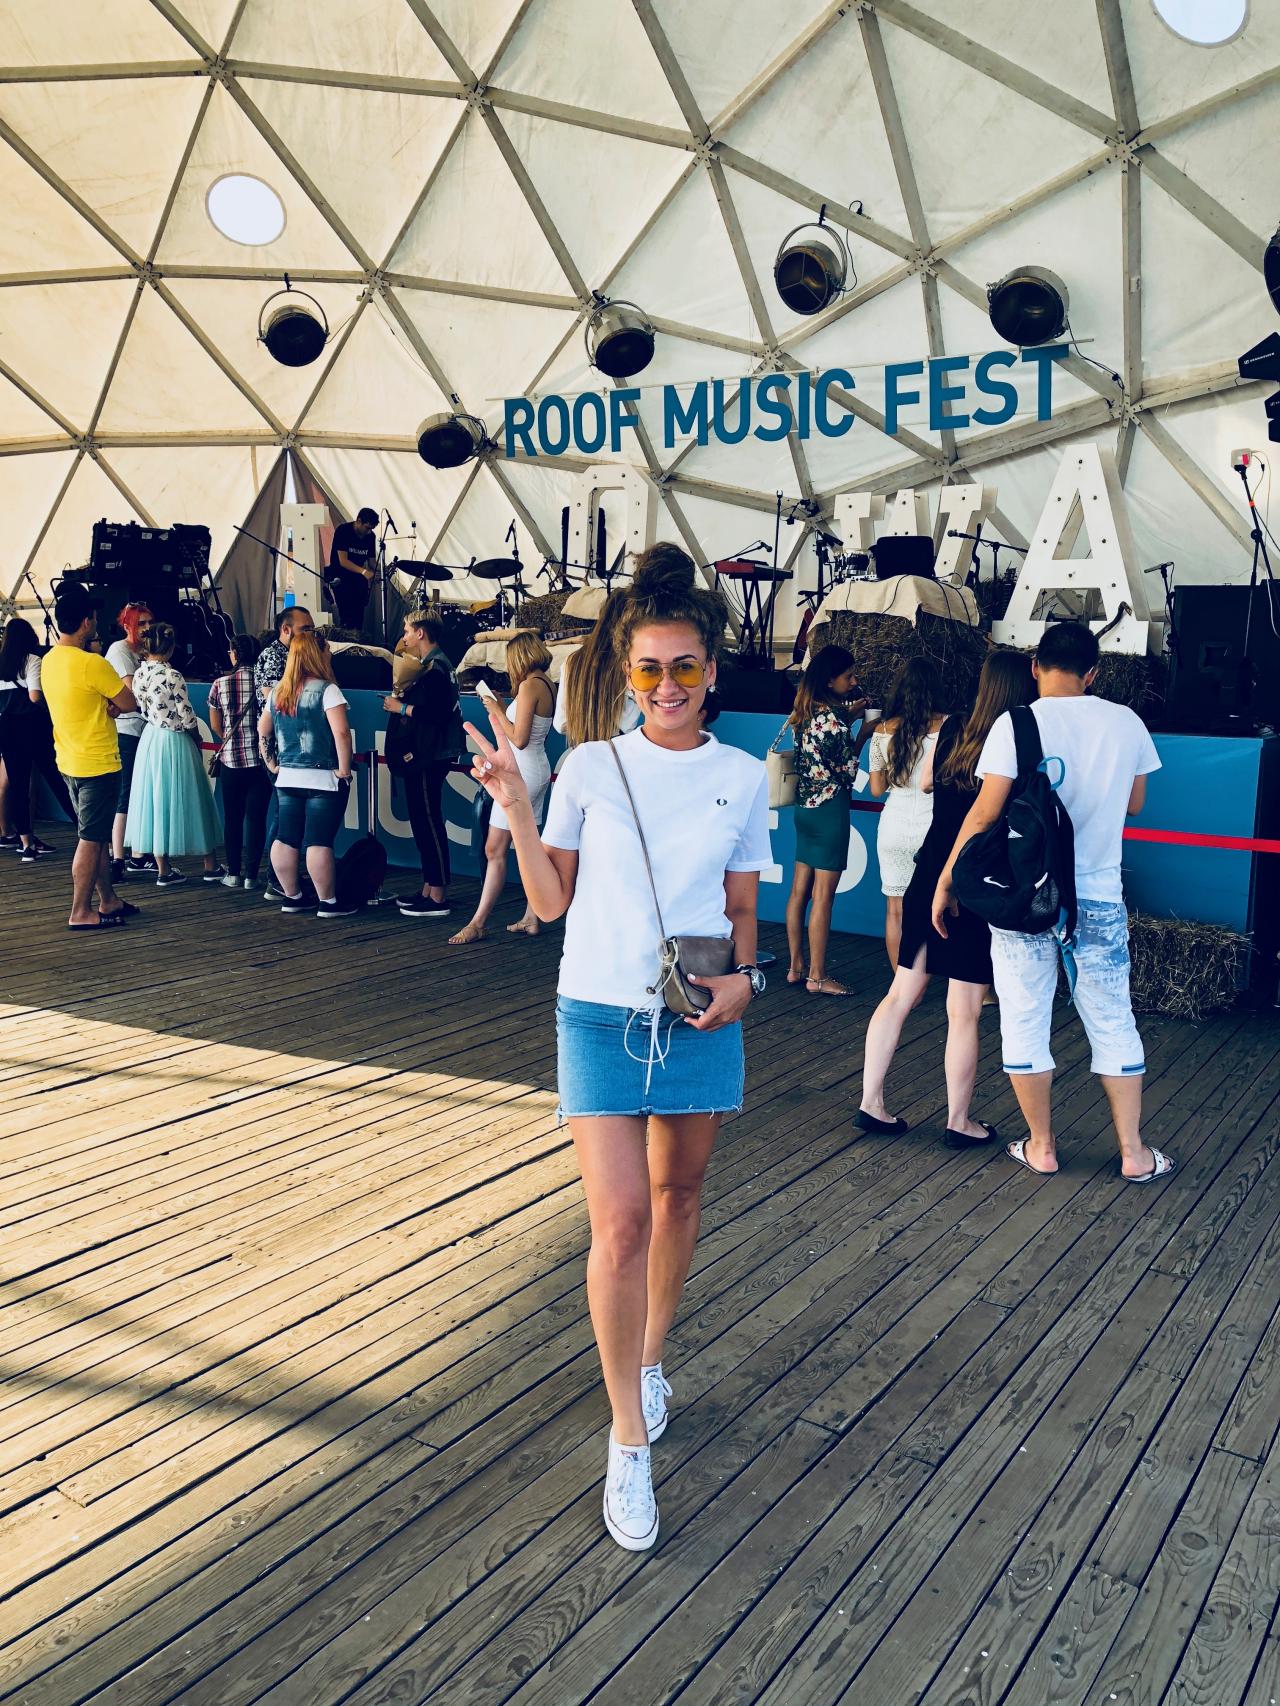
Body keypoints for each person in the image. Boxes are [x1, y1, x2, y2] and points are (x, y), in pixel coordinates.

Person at [467, 542, 770, 1552]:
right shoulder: (591, 766)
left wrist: (748, 979)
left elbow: (739, 909)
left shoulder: (741, 776)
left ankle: (647, 1358)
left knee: (680, 1197)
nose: (666, 686)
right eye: (648, 670)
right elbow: (550, 902)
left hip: (695, 1014)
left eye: (683, 667)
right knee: (622, 1223)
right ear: (626, 674)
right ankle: (628, 1436)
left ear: (711, 671)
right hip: (598, 1012)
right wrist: (516, 806)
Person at [932, 621, 1172, 1183]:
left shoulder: (1015, 724)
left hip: (1026, 898)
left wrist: (947, 881)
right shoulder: (1127, 722)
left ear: (1035, 666)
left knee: (1023, 1019)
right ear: (1093, 673)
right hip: (1099, 897)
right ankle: (1134, 1153)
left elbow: (985, 814)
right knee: (1113, 1021)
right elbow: (1135, 804)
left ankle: (1041, 1146)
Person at [858, 650, 1035, 1144]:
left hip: (928, 869)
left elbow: (928, 783)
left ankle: (871, 1103)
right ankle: (959, 1121)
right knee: (964, 1010)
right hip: (974, 882)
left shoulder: (955, 728)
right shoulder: (1018, 742)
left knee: (900, 995)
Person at [39, 584, 137, 929]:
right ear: (86, 622)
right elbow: (129, 702)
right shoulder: (92, 664)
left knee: (95, 836)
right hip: (98, 763)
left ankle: (108, 900)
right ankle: (80, 911)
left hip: (69, 760)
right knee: (91, 840)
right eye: (93, 617)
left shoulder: (49, 660)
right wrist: (111, 704)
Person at [449, 632, 555, 944]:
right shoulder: (545, 683)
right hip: (535, 769)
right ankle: (532, 915)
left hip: (522, 773)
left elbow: (519, 738)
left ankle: (479, 922)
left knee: (495, 849)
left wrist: (496, 710)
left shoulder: (530, 685)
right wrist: (502, 706)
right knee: (527, 846)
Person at [783, 644, 871, 996]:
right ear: (831, 680)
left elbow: (820, 747)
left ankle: (795, 966)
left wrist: (849, 718)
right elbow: (847, 771)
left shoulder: (804, 712)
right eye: (848, 676)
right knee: (823, 897)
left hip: (804, 809)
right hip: (830, 810)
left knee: (799, 891)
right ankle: (818, 976)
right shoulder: (834, 721)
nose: (854, 681)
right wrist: (863, 734)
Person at [259, 628, 356, 919]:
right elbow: (341, 733)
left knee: (286, 837)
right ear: (318, 654)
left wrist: (272, 763)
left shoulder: (278, 691)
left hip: (287, 777)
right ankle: (328, 902)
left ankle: (292, 896)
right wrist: (344, 769)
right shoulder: (328, 690)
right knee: (318, 840)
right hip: (323, 778)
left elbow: (263, 730)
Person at [125, 622, 225, 887]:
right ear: (170, 648)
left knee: (156, 800)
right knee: (195, 798)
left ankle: (164, 869)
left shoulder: (139, 674)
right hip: (175, 740)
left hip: (151, 739)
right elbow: (186, 713)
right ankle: (210, 864)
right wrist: (196, 737)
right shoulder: (173, 676)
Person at [383, 607, 464, 919]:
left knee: (427, 820)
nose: (403, 637)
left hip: (431, 755)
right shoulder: (433, 665)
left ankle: (438, 894)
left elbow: (437, 714)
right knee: (422, 818)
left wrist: (401, 708)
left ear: (420, 632)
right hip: (431, 753)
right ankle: (430, 887)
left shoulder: (436, 668)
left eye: (407, 631)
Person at [868, 657, 946, 970]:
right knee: (939, 906)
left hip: (894, 827)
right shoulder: (949, 727)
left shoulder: (883, 730)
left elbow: (877, 789)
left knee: (895, 910)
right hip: (934, 828)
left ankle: (900, 983)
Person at [254, 606, 315, 900]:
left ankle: (284, 875)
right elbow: (274, 701)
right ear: (286, 629)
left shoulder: (297, 656)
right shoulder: (273, 657)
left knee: (291, 815)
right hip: (279, 751)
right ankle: (276, 878)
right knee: (284, 814)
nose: (310, 635)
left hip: (292, 749)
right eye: (305, 629)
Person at [209, 633, 272, 890]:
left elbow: (216, 724)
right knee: (256, 819)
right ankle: (251, 876)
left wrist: (232, 739)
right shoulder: (264, 683)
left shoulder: (220, 683)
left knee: (233, 819)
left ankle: (233, 873)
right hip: (260, 761)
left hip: (231, 761)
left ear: (235, 653)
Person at [554, 588, 643, 747]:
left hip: (581, 750)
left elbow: (560, 723)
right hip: (619, 748)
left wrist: (586, 725)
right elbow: (632, 722)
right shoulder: (629, 663)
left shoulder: (572, 661)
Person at [104, 600, 152, 883]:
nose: (146, 628)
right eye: (140, 623)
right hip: (127, 730)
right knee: (125, 795)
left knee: (138, 794)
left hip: (142, 729)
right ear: (126, 626)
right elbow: (131, 691)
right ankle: (118, 858)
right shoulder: (119, 651)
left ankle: (136, 853)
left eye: (149, 622)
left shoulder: (143, 651)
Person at [0, 617, 50, 862]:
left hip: (6, 727)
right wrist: (47, 706)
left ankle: (26, 843)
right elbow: (34, 696)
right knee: (52, 777)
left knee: (17, 785)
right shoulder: (32, 660)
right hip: (31, 726)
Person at [326, 507, 378, 631]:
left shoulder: (370, 536)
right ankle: (347, 638)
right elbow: (343, 561)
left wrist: (381, 570)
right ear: (358, 521)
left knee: (359, 616)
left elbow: (372, 562)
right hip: (340, 576)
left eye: (371, 529)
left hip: (358, 579)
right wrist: (363, 571)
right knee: (346, 616)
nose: (369, 532)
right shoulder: (343, 531)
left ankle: (357, 638)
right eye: (367, 528)